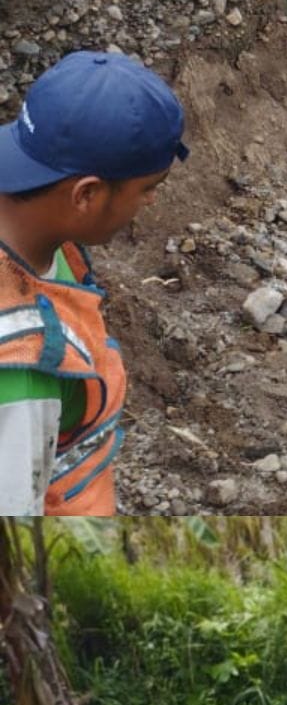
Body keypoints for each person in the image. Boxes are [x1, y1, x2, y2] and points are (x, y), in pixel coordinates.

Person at [0, 50, 188, 515]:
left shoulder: (37, 232)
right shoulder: (26, 370)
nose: (150, 202)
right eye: (147, 188)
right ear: (85, 193)